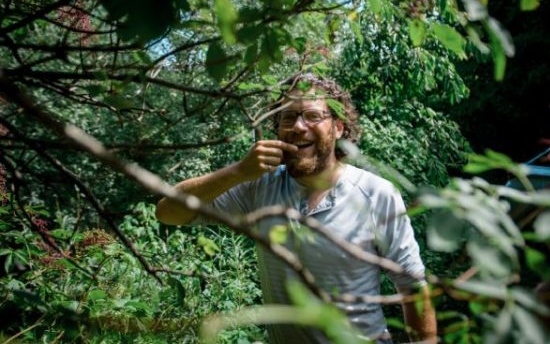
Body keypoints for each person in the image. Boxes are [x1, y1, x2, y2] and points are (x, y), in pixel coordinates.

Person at [156, 73, 437, 343]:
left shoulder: (376, 194)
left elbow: (411, 286)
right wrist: (238, 171)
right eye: (288, 117)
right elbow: (168, 212)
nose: (298, 127)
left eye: (313, 115)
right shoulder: (259, 186)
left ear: (338, 127)